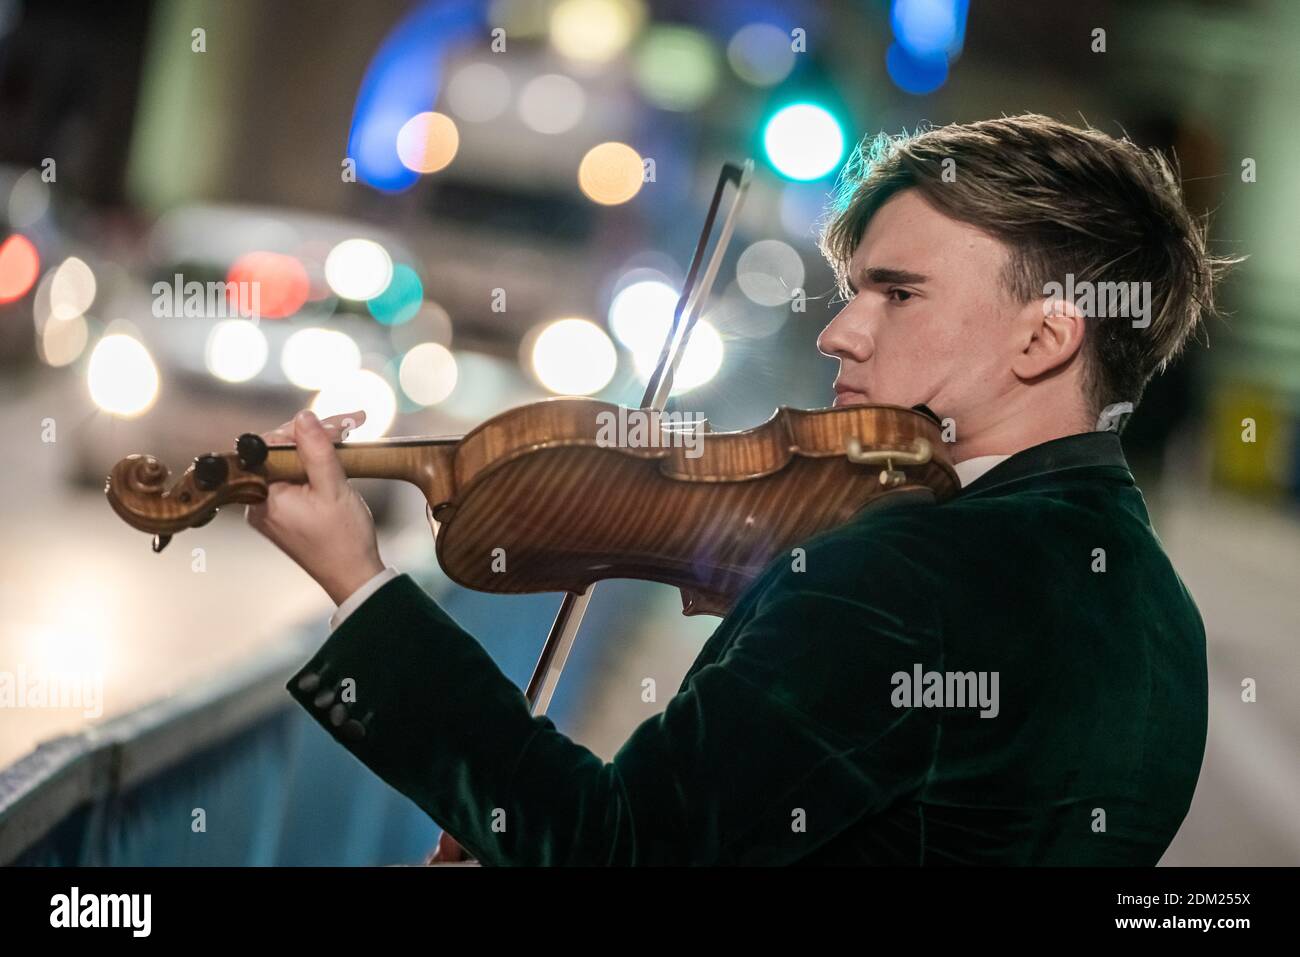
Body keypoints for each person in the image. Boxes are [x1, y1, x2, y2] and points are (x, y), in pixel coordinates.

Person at [251, 114, 1234, 865]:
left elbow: (619, 848)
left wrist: (362, 588)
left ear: (1045, 336)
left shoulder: (900, 575)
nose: (838, 332)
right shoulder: (1159, 618)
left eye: (897, 293)